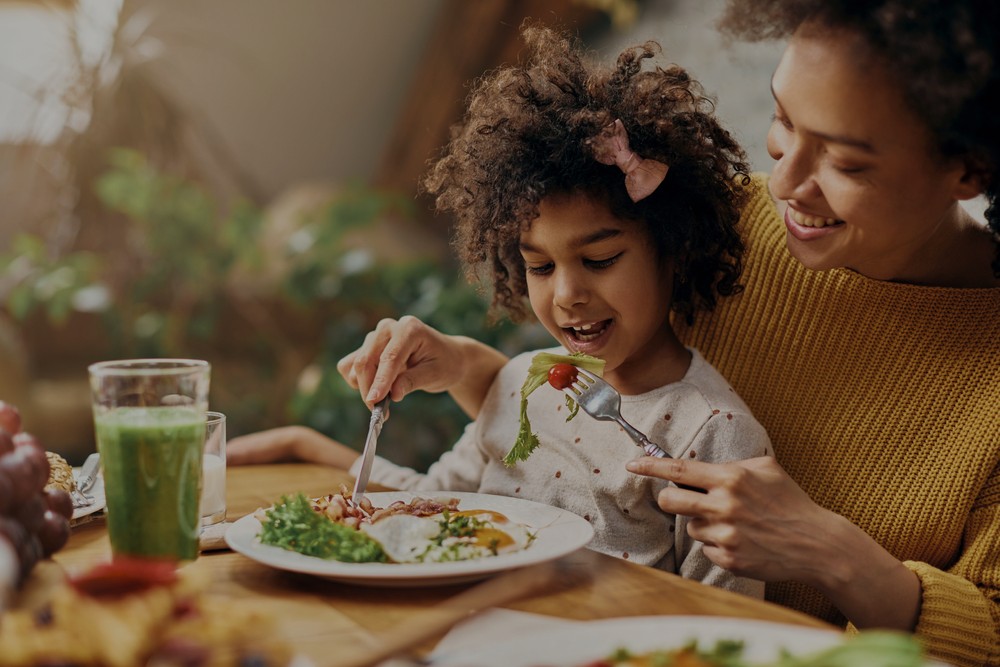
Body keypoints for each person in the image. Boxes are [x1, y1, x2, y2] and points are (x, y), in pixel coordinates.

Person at [257, 1, 1000, 665]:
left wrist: (838, 554)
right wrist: (463, 368)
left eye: (843, 160)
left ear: (969, 167)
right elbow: (582, 415)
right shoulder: (711, 224)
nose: (784, 183)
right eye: (782, 123)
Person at [229, 25, 773, 596]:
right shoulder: (524, 386)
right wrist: (310, 451)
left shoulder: (713, 435)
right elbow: (431, 507)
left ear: (674, 248)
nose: (566, 295)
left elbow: (733, 624)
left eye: (601, 258)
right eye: (540, 267)